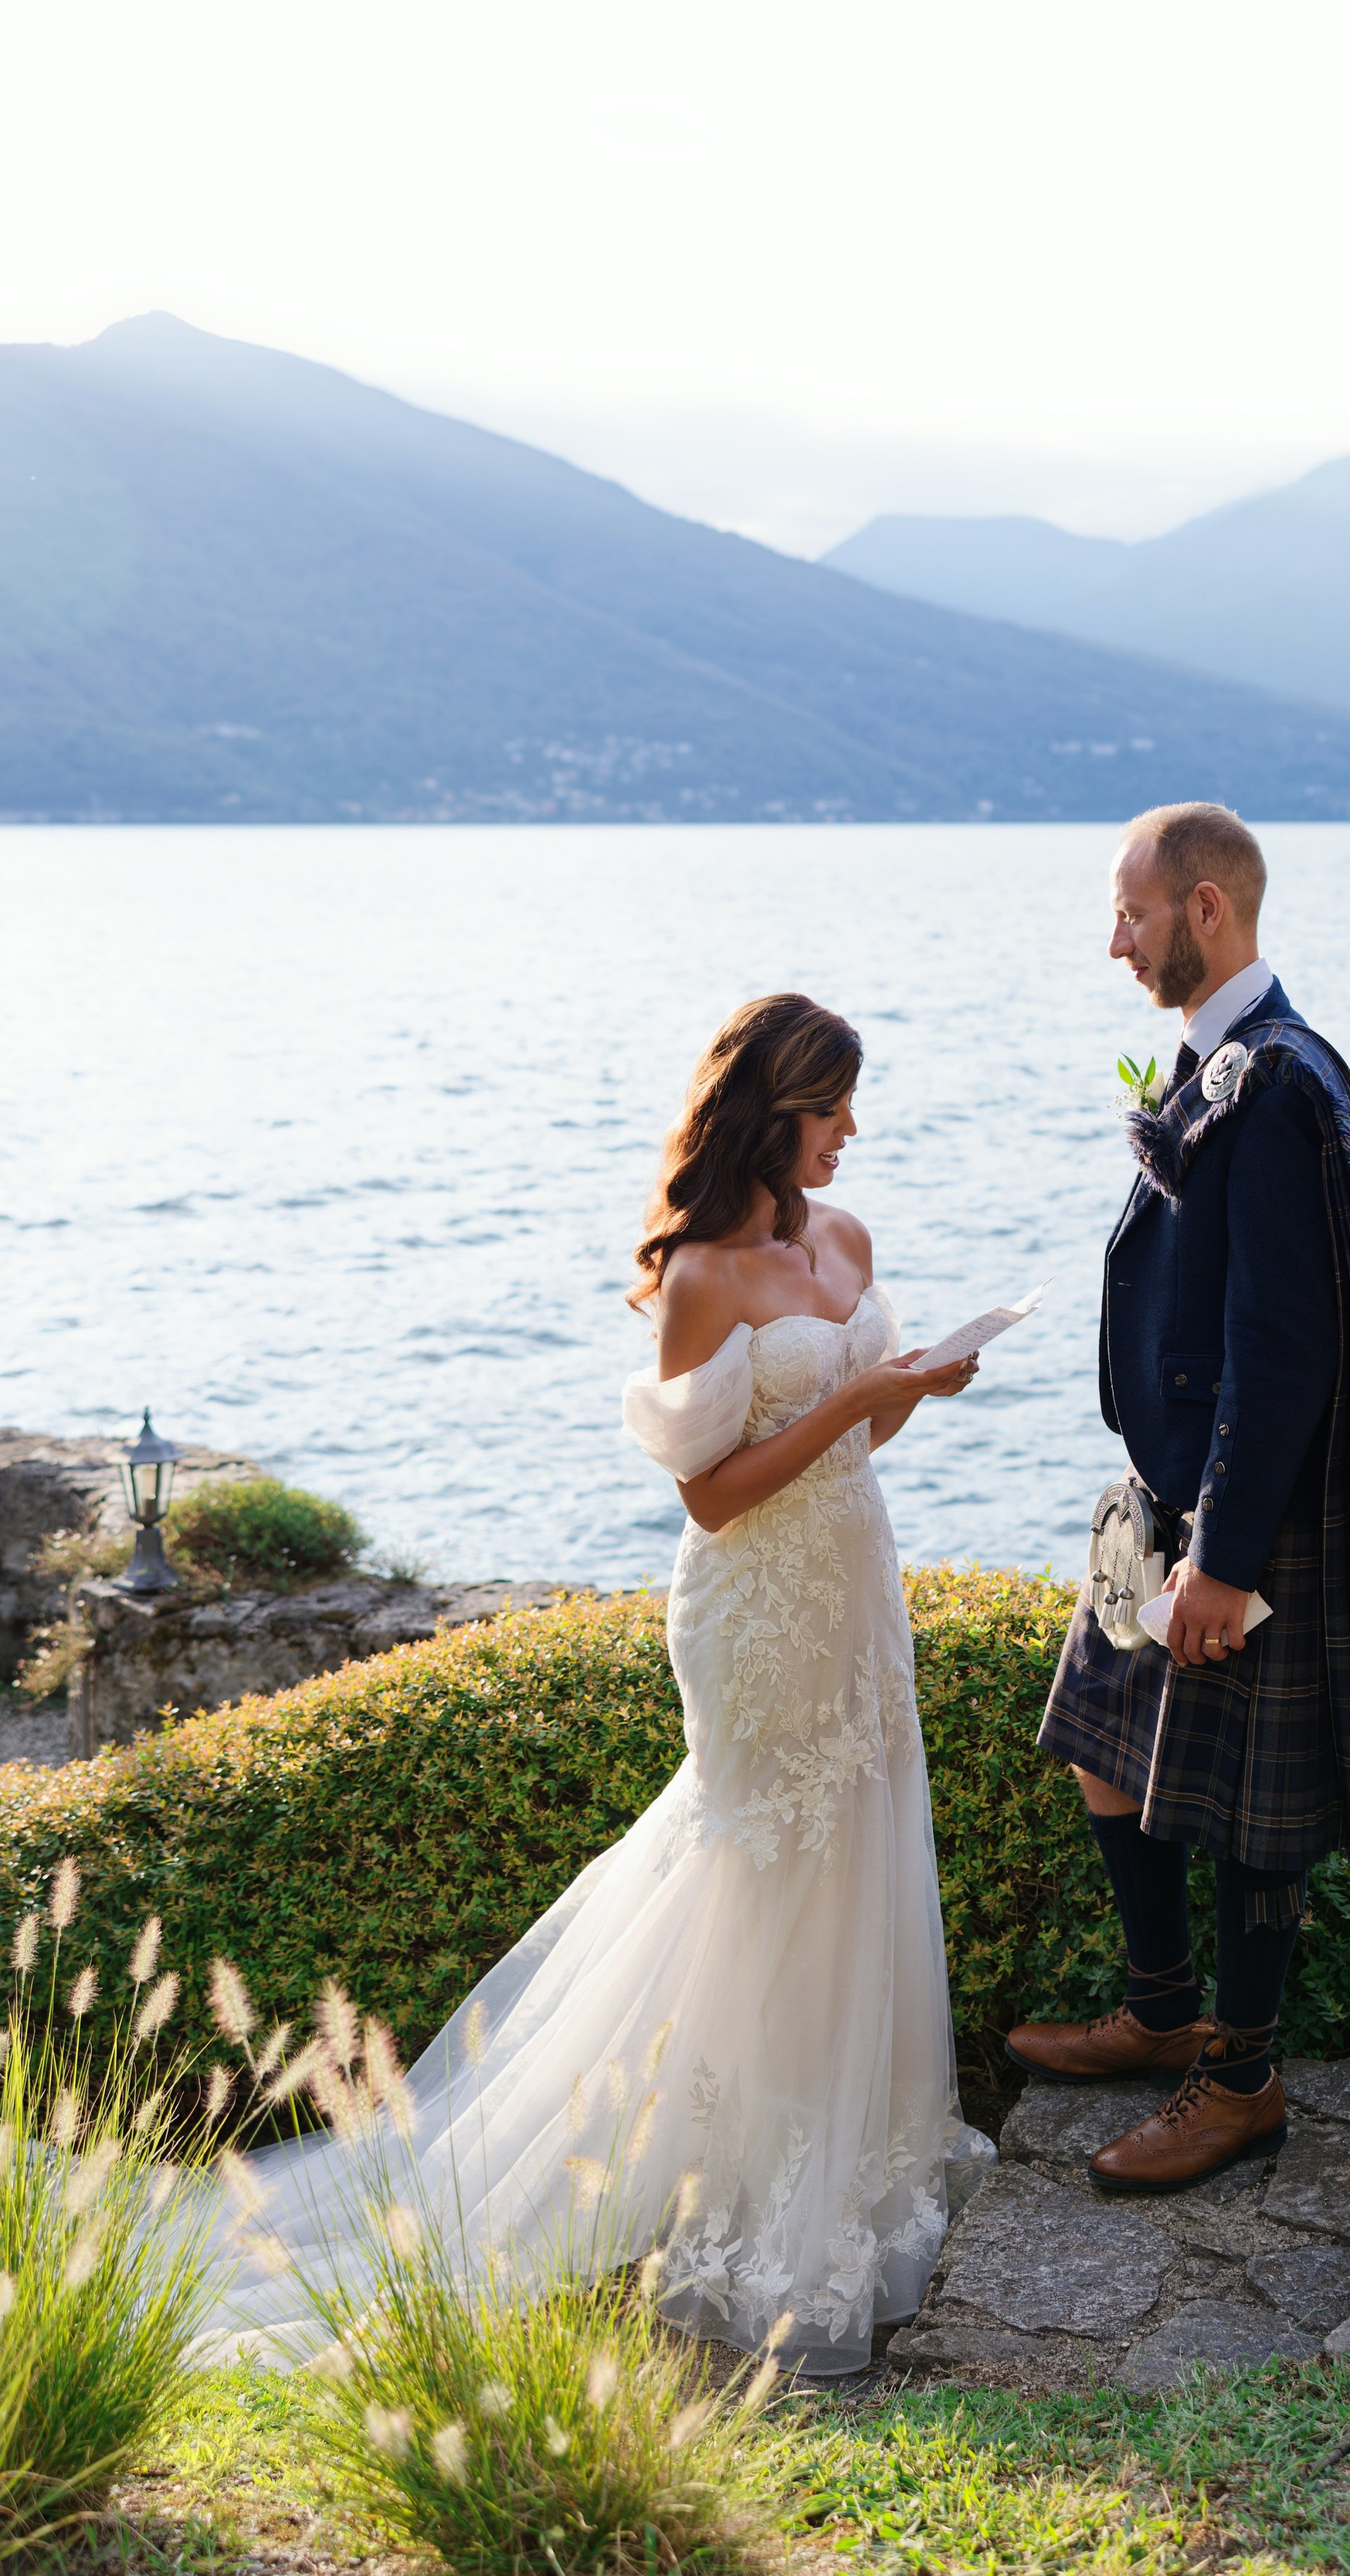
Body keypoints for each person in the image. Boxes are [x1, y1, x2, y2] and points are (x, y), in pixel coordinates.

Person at [192, 993, 981, 2379]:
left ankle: (847, 2145)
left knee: (859, 1846)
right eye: (831, 1106)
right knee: (757, 1867)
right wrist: (856, 1403)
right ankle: (713, 2170)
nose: (852, 1129)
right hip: (753, 1611)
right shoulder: (702, 1277)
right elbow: (713, 1494)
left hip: (858, 1591)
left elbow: (863, 1438)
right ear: (770, 1112)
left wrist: (910, 1388)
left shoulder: (849, 1239)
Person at [1011, 804, 1350, 2194]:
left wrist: (1226, 1559)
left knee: (1250, 1809)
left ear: (1206, 909)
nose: (1114, 942)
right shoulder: (1214, 1061)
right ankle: (1160, 2009)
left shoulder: (1283, 1081)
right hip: (1163, 1488)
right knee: (1100, 1742)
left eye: (1132, 915)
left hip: (1245, 1508)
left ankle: (1241, 2085)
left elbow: (1285, 1344)